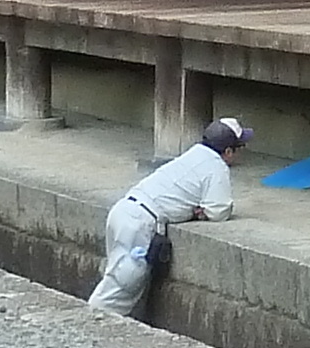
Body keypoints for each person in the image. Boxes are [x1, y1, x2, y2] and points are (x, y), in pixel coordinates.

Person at [93, 115, 253, 314]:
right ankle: (93, 323)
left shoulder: (193, 153)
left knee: (115, 277)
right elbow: (219, 210)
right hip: (141, 223)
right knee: (124, 285)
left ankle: (93, 317)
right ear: (228, 151)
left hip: (123, 210)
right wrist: (200, 213)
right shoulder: (217, 167)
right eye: (239, 148)